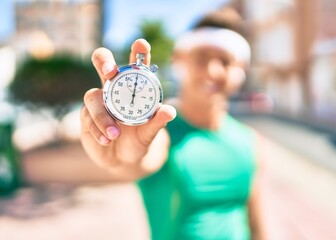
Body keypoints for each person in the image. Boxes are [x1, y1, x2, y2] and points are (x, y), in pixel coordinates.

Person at [81, 8, 266, 240]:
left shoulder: (249, 140)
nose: (212, 70)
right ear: (178, 60)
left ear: (242, 70)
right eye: (202, 57)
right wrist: (121, 157)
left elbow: (255, 224)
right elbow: (139, 160)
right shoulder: (161, 132)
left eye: (225, 60)